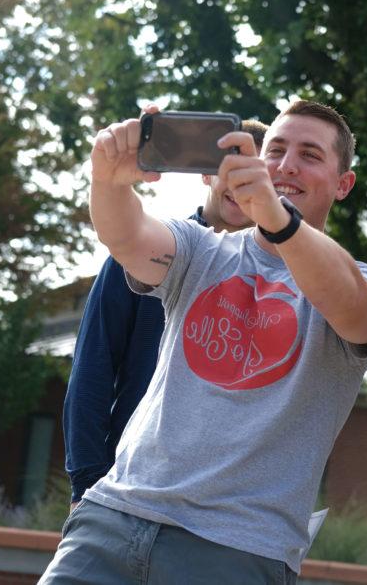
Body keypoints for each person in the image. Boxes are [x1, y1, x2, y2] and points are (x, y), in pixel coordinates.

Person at [41, 100, 367, 584]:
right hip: (113, 518)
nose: (287, 164)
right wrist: (108, 179)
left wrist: (279, 219)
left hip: (236, 548)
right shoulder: (200, 247)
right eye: (276, 150)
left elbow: (352, 309)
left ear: (343, 184)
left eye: (310, 155)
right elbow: (126, 237)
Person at [62, 120, 268, 508]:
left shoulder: (281, 286)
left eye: (256, 175)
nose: (241, 185)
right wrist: (85, 483)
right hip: (126, 487)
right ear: (207, 172)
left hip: (223, 508)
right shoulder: (144, 254)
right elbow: (94, 367)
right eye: (231, 169)